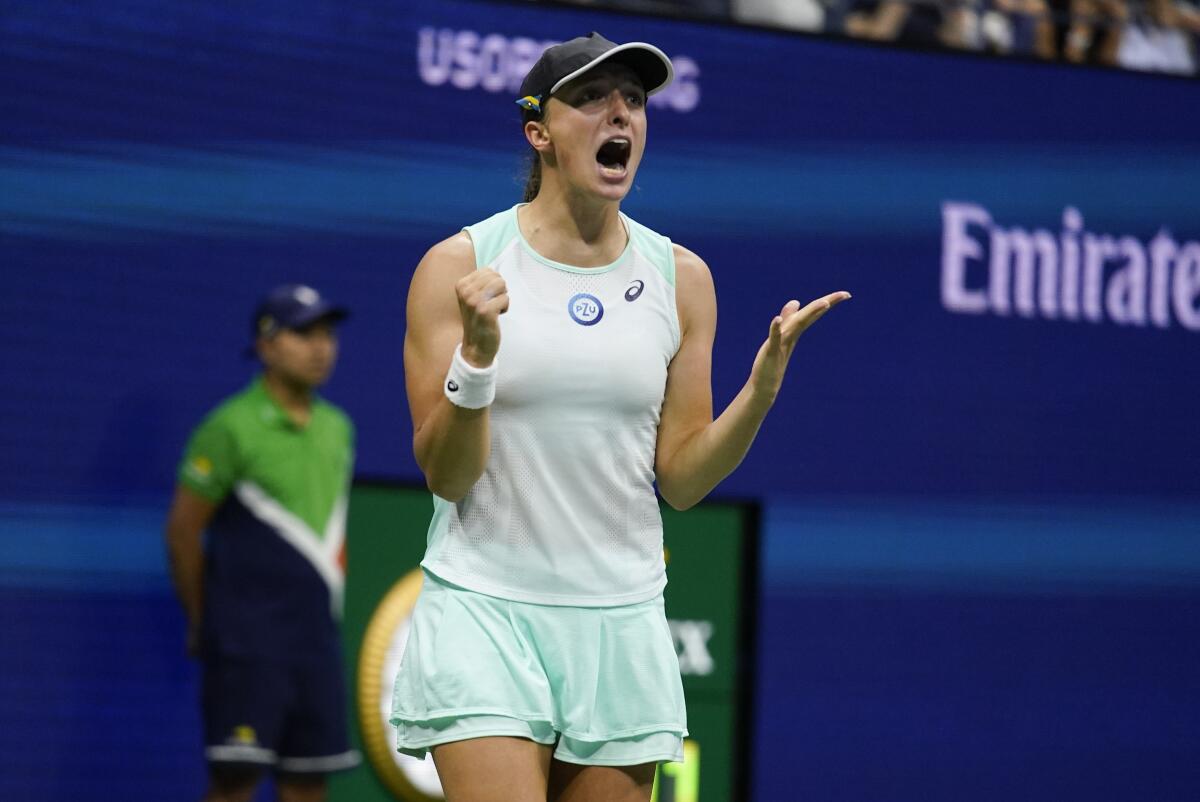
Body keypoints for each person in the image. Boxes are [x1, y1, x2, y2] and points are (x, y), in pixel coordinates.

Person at [392, 33, 850, 802]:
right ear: (539, 132)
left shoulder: (682, 279)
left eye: (634, 100)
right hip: (485, 612)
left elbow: (682, 479)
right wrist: (475, 360)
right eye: (593, 98)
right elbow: (447, 473)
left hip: (621, 620)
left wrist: (759, 391)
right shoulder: (460, 268)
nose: (621, 115)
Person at [164, 284, 359, 802]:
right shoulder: (229, 427)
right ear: (267, 345)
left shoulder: (338, 428)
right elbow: (183, 529)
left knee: (307, 784)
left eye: (327, 333)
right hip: (247, 646)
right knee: (235, 783)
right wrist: (204, 620)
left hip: (315, 642)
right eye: (303, 334)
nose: (321, 347)